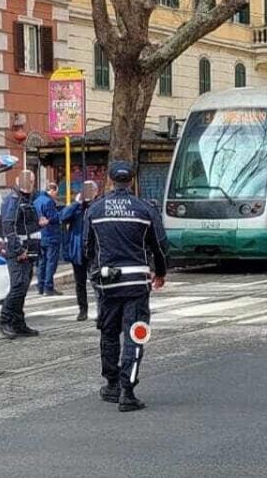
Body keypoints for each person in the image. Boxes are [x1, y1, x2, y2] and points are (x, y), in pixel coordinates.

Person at [83, 162, 168, 412]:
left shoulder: (95, 209)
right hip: (137, 284)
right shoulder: (145, 209)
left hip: (107, 283)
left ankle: (111, 384)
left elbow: (86, 248)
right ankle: (128, 391)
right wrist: (160, 272)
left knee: (108, 331)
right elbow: (161, 245)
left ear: (110, 180)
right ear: (132, 181)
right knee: (135, 334)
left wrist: (93, 273)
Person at [0, 170, 46, 339]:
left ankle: (18, 323)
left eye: (31, 181)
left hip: (28, 252)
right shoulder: (14, 200)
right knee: (18, 287)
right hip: (19, 253)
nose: (30, 184)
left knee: (23, 288)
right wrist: (18, 250)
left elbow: (25, 226)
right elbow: (9, 227)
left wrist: (39, 225)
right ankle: (5, 321)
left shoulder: (26, 200)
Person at [59, 181, 98, 322]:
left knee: (97, 282)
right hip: (78, 251)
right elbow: (62, 217)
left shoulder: (97, 206)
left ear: (95, 192)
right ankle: (83, 310)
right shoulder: (77, 208)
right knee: (80, 283)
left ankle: (101, 310)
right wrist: (76, 203)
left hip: (94, 250)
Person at [33, 182, 63, 296]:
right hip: (51, 235)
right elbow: (53, 217)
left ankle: (40, 287)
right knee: (51, 262)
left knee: (42, 262)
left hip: (40, 236)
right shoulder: (49, 201)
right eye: (56, 192)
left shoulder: (36, 201)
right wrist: (60, 215)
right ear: (53, 190)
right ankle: (48, 287)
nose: (56, 195)